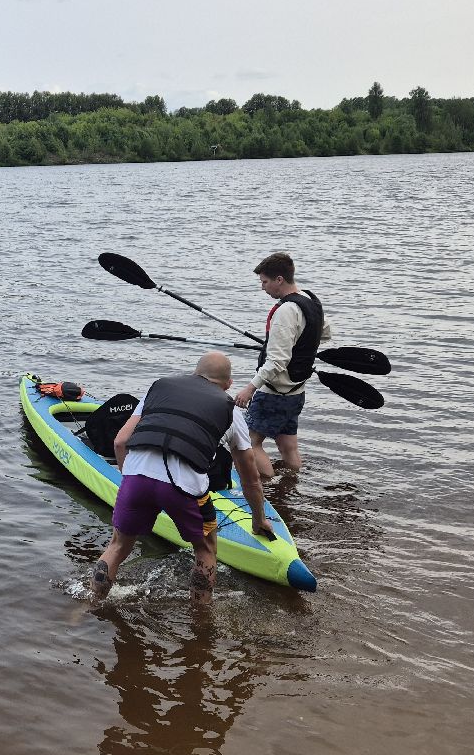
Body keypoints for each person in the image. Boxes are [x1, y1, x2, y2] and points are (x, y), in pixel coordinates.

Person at [90, 351, 274, 604]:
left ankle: (92, 603)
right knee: (205, 548)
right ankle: (201, 625)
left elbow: (121, 441)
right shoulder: (230, 409)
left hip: (136, 476)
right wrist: (258, 519)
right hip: (183, 486)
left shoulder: (158, 389)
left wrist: (129, 483)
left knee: (118, 545)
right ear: (228, 385)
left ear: (194, 373)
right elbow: (250, 477)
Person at [233, 252, 332, 480]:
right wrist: (296, 342)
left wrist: (250, 388)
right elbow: (324, 333)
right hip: (296, 392)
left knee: (248, 443)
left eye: (264, 282)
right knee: (288, 446)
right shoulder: (309, 299)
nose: (263, 288)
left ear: (279, 279)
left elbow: (277, 361)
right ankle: (290, 487)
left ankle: (265, 488)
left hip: (273, 393)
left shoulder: (286, 310)